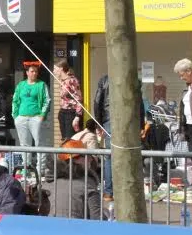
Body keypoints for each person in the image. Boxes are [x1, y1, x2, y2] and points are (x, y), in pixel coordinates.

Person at [93, 73, 145, 201]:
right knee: (129, 153)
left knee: (109, 156)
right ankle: (128, 190)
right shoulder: (134, 79)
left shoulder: (105, 80)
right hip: (130, 120)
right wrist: (141, 125)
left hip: (110, 119)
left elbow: (97, 101)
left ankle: (109, 192)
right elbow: (139, 103)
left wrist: (99, 123)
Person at [12, 64, 51, 178]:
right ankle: (26, 168)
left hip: (36, 117)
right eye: (32, 71)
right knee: (24, 144)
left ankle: (40, 170)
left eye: (36, 71)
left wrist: (42, 115)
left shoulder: (41, 85)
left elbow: (47, 100)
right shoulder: (21, 85)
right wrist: (15, 116)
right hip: (22, 117)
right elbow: (15, 100)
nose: (34, 73)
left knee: (39, 144)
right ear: (27, 73)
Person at [51, 139, 102, 220]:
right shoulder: (88, 184)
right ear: (75, 159)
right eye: (86, 155)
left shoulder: (49, 182)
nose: (91, 159)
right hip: (75, 227)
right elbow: (97, 219)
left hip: (46, 226)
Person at [175, 59, 192, 184]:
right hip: (189, 127)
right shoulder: (188, 87)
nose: (181, 78)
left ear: (189, 71)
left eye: (182, 75)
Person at [53, 59, 83, 139]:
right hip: (63, 112)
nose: (53, 71)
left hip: (71, 113)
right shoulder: (62, 81)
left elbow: (79, 98)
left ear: (61, 69)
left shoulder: (72, 81)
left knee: (70, 139)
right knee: (64, 139)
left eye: (55, 69)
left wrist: (77, 116)